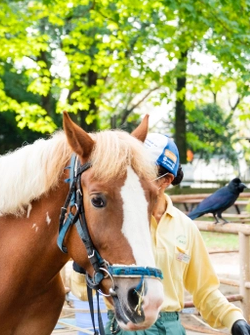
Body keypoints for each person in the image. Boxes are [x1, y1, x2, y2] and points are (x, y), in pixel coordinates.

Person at [71, 133, 250, 334]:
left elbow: (205, 292)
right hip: (126, 324)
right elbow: (82, 291)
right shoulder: (117, 223)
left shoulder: (185, 227)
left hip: (170, 327)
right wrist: (81, 264)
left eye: (142, 170)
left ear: (166, 180)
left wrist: (235, 320)